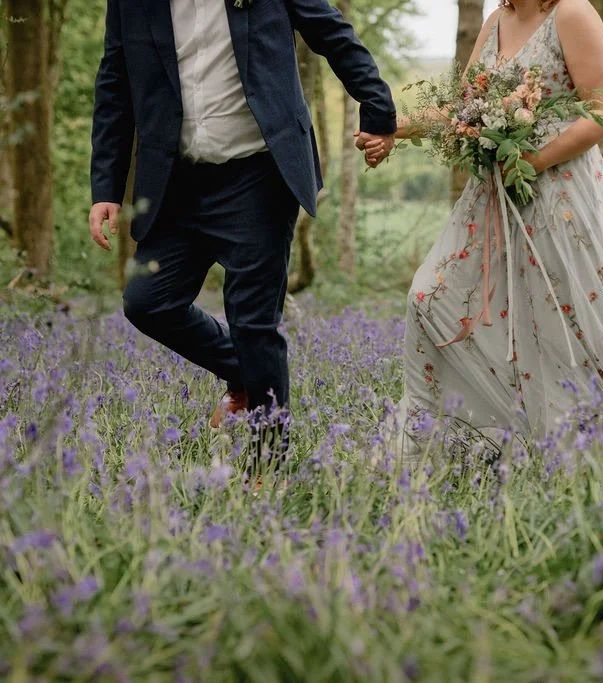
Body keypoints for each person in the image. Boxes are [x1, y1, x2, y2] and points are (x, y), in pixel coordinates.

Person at [358, 0, 603, 457]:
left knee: (566, 323)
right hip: (492, 196)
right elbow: (460, 113)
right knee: (429, 295)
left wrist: (533, 161)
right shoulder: (495, 21)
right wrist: (395, 130)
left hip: (558, 195)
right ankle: (449, 442)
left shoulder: (571, 13)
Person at [89, 0, 395, 466]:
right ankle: (246, 373)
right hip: (176, 180)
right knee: (147, 301)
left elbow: (333, 34)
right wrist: (106, 188)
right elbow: (115, 83)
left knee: (253, 322)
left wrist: (378, 110)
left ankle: (267, 468)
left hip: (258, 174)